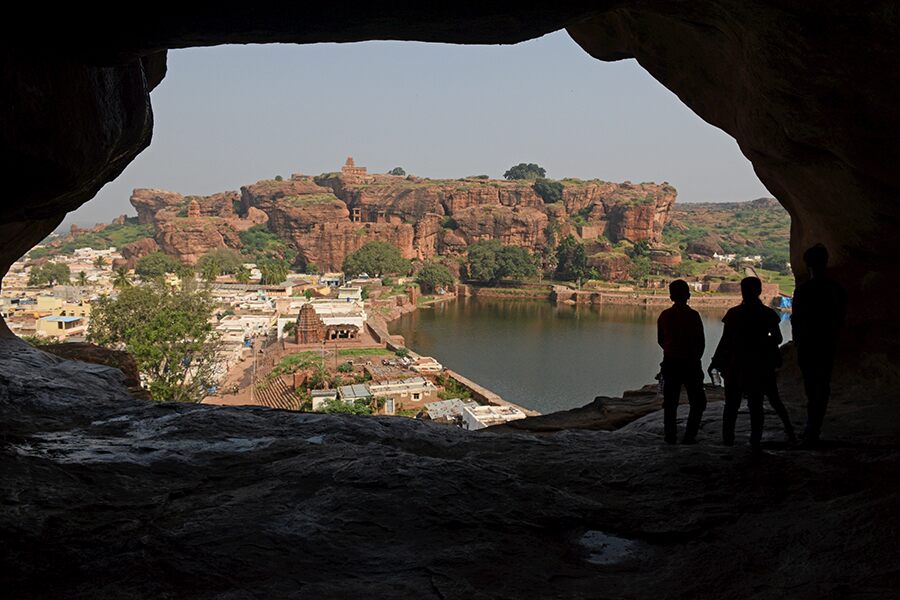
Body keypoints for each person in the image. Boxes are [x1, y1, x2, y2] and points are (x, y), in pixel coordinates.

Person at [710, 277, 782, 447]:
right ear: (759, 291)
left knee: (731, 405)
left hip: (735, 363)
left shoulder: (734, 314)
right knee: (756, 405)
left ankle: (728, 440)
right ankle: (755, 441)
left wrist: (715, 360)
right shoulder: (768, 314)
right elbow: (777, 338)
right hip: (758, 364)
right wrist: (761, 342)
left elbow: (725, 340)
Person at [792, 244, 846, 446]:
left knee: (812, 386)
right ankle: (814, 426)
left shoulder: (804, 290)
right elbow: (840, 317)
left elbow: (796, 319)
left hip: (808, 343)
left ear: (807, 265)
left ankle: (812, 428)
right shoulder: (836, 289)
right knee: (822, 385)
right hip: (827, 342)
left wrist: (798, 341)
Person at [656, 279, 707, 444]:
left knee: (670, 402)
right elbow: (700, 342)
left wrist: (672, 351)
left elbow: (660, 340)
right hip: (691, 363)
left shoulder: (665, 315)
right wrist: (694, 358)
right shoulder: (693, 316)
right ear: (688, 296)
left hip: (671, 363)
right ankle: (689, 436)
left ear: (671, 297)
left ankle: (670, 436)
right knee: (697, 402)